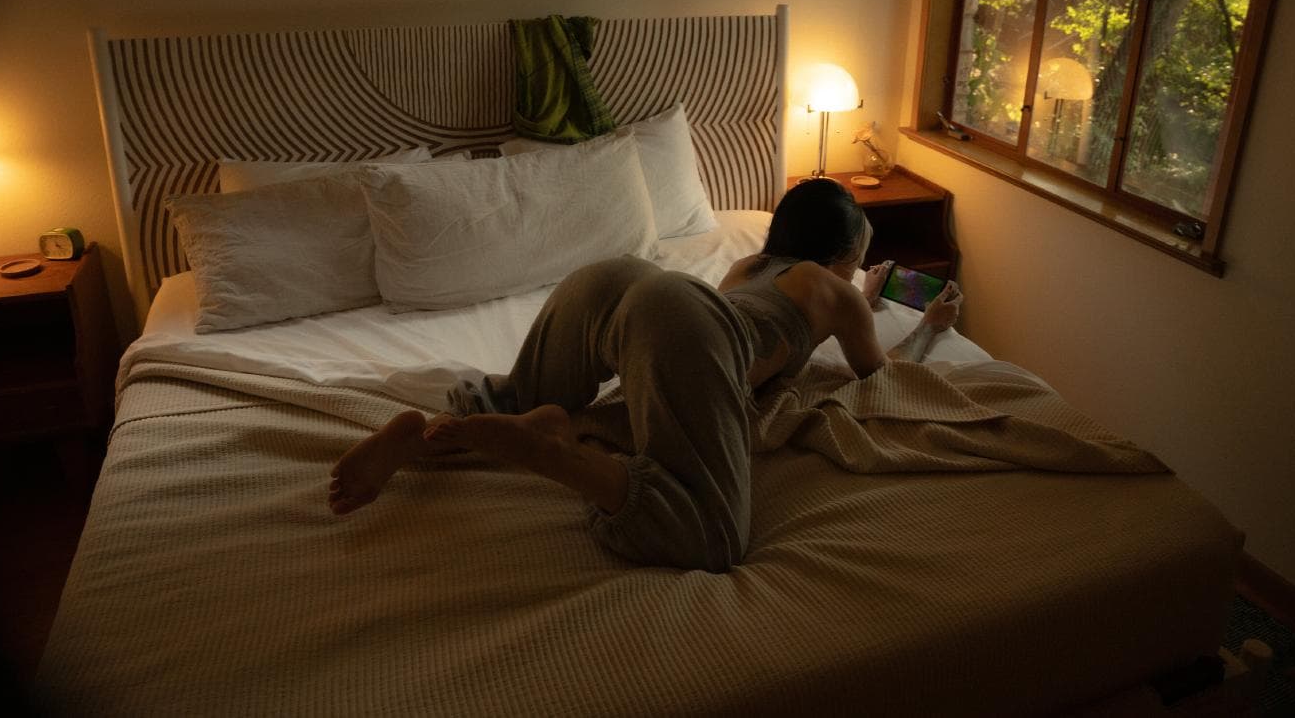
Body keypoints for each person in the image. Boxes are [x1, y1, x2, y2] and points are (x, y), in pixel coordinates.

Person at [328, 177, 962, 571]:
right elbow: (878, 371)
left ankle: (429, 434)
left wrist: (860, 294)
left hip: (625, 284)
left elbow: (683, 338)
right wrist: (928, 324)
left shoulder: (747, 266)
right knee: (711, 535)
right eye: (859, 257)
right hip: (690, 321)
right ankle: (558, 449)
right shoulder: (838, 293)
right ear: (845, 256)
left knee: (519, 394)